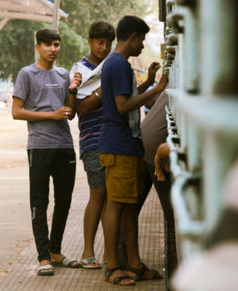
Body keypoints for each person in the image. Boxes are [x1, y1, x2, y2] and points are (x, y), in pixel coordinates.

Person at [98, 15, 169, 286]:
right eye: (142, 40)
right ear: (133, 37)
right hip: (117, 144)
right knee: (115, 205)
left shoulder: (119, 65)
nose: (142, 46)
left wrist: (149, 81)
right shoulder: (118, 64)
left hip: (125, 144)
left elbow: (125, 96)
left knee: (129, 206)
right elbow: (123, 106)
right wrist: (159, 89)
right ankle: (113, 265)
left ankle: (135, 262)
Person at [11, 28, 82, 276]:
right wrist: (49, 115)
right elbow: (16, 111)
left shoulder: (63, 75)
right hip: (39, 146)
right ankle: (43, 257)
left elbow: (70, 113)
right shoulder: (26, 74)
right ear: (37, 47)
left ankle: (56, 251)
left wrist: (72, 89)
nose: (53, 49)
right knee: (39, 202)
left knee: (64, 202)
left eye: (56, 44)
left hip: (64, 145)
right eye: (48, 45)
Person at [70, 20, 115, 270]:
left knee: (111, 197)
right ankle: (88, 251)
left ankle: (109, 253)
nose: (104, 47)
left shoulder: (113, 64)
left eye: (108, 43)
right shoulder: (80, 70)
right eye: (100, 42)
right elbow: (80, 108)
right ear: (90, 41)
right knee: (97, 194)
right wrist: (103, 89)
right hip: (93, 139)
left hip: (113, 138)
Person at [140, 91, 177, 290]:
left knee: (129, 206)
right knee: (175, 214)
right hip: (155, 150)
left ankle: (125, 262)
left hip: (148, 144)